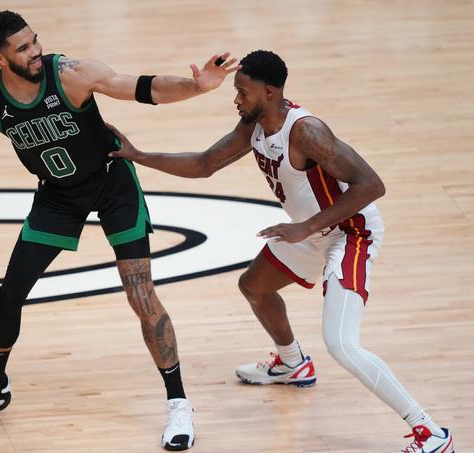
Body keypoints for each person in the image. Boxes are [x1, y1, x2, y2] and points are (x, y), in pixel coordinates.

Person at [0, 10, 239, 451]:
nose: (36, 51)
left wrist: (196, 86)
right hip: (58, 197)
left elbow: (140, 87)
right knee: (10, 293)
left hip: (112, 182)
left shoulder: (72, 75)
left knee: (140, 293)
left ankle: (178, 403)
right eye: (23, 48)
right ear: (1, 59)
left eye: (35, 40)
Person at [107, 50, 454, 452]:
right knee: (255, 286)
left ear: (269, 93)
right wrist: (139, 156)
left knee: (342, 344)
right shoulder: (253, 125)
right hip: (309, 232)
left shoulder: (306, 132)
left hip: (348, 233)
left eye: (242, 92)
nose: (236, 99)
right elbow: (205, 164)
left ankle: (431, 432)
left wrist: (306, 226)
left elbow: (371, 185)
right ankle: (293, 363)